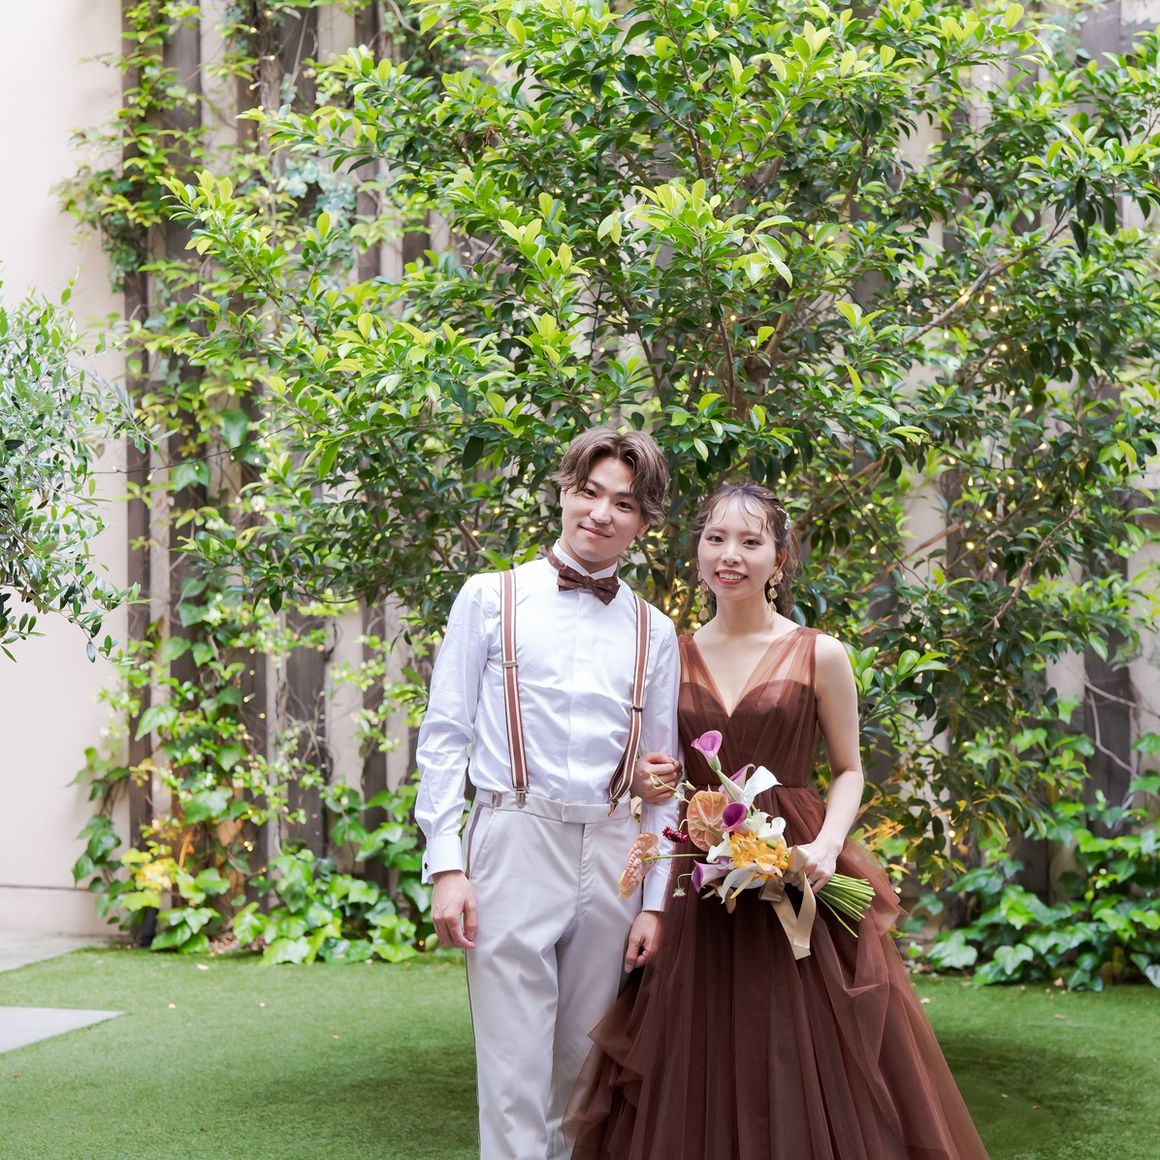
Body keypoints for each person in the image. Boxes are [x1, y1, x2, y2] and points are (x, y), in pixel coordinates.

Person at [566, 481, 990, 1160]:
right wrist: (653, 778)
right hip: (702, 876)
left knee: (804, 1046)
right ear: (698, 550)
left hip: (798, 869)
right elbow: (658, 767)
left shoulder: (820, 653)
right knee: (699, 1047)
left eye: (749, 541)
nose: (729, 555)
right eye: (715, 539)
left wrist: (826, 844)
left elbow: (849, 769)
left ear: (779, 557)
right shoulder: (670, 652)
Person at [414, 427, 682, 1160]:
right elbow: (444, 738)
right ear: (563, 492)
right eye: (589, 492)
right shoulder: (489, 598)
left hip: (614, 851)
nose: (600, 513)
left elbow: (664, 779)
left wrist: (654, 901)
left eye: (623, 503)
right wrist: (447, 865)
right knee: (512, 1073)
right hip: (513, 836)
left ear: (644, 521)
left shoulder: (655, 631)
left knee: (584, 1073)